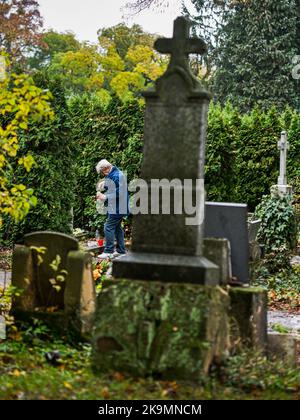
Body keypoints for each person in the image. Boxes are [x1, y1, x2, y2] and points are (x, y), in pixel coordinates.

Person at [95, 159, 129, 259]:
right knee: (117, 228)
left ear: (106, 169)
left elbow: (120, 192)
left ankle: (108, 251)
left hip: (118, 208)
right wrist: (104, 184)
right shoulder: (114, 173)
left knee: (108, 227)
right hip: (117, 207)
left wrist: (105, 197)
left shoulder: (118, 175)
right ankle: (121, 250)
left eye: (102, 173)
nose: (103, 175)